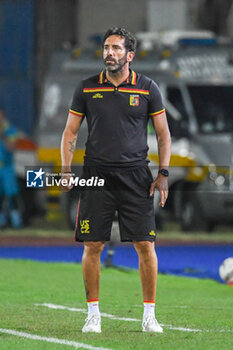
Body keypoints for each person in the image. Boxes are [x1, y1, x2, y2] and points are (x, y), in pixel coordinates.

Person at [60, 27, 171, 333]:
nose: (109, 53)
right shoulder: (86, 88)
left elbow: (163, 134)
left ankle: (149, 316)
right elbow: (70, 132)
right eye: (107, 48)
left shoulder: (148, 88)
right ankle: (92, 315)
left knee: (145, 245)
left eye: (116, 48)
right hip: (96, 174)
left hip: (136, 176)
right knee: (92, 245)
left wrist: (162, 174)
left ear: (129, 56)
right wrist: (66, 169)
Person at [0, 108, 22, 228]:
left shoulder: (10, 131)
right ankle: (2, 221)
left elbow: (12, 148)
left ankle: (16, 221)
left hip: (7, 168)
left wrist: (2, 135)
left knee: (11, 194)